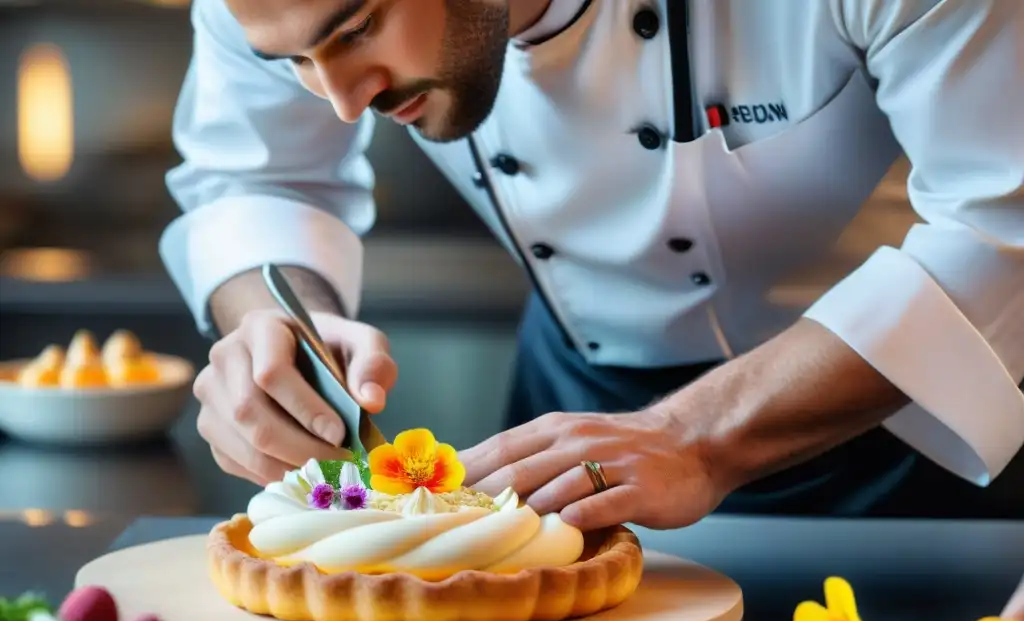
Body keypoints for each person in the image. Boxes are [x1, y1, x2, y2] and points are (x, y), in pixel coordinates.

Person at [160, 1, 1024, 537]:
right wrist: (281, 327)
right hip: (572, 436)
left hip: (900, 433)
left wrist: (694, 435)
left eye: (356, 28)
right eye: (293, 62)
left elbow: (1000, 225)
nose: (343, 100)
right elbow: (258, 175)